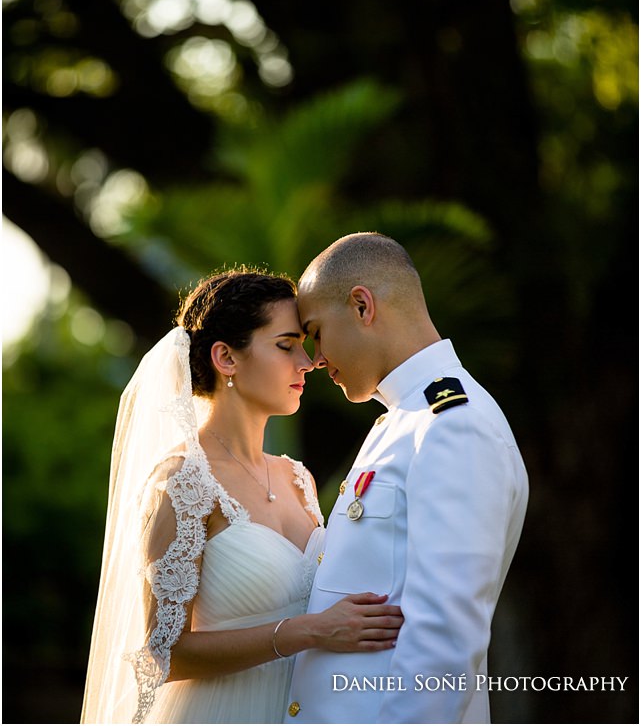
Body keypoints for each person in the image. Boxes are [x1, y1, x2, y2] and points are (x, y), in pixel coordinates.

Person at [81, 269, 402, 725]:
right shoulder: (183, 482)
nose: (307, 363)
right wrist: (308, 631)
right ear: (226, 358)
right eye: (286, 345)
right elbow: (163, 653)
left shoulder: (298, 478)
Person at [286, 233, 529, 724]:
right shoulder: (405, 419)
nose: (314, 358)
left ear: (361, 306)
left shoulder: (452, 424)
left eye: (315, 332)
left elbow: (445, 637)